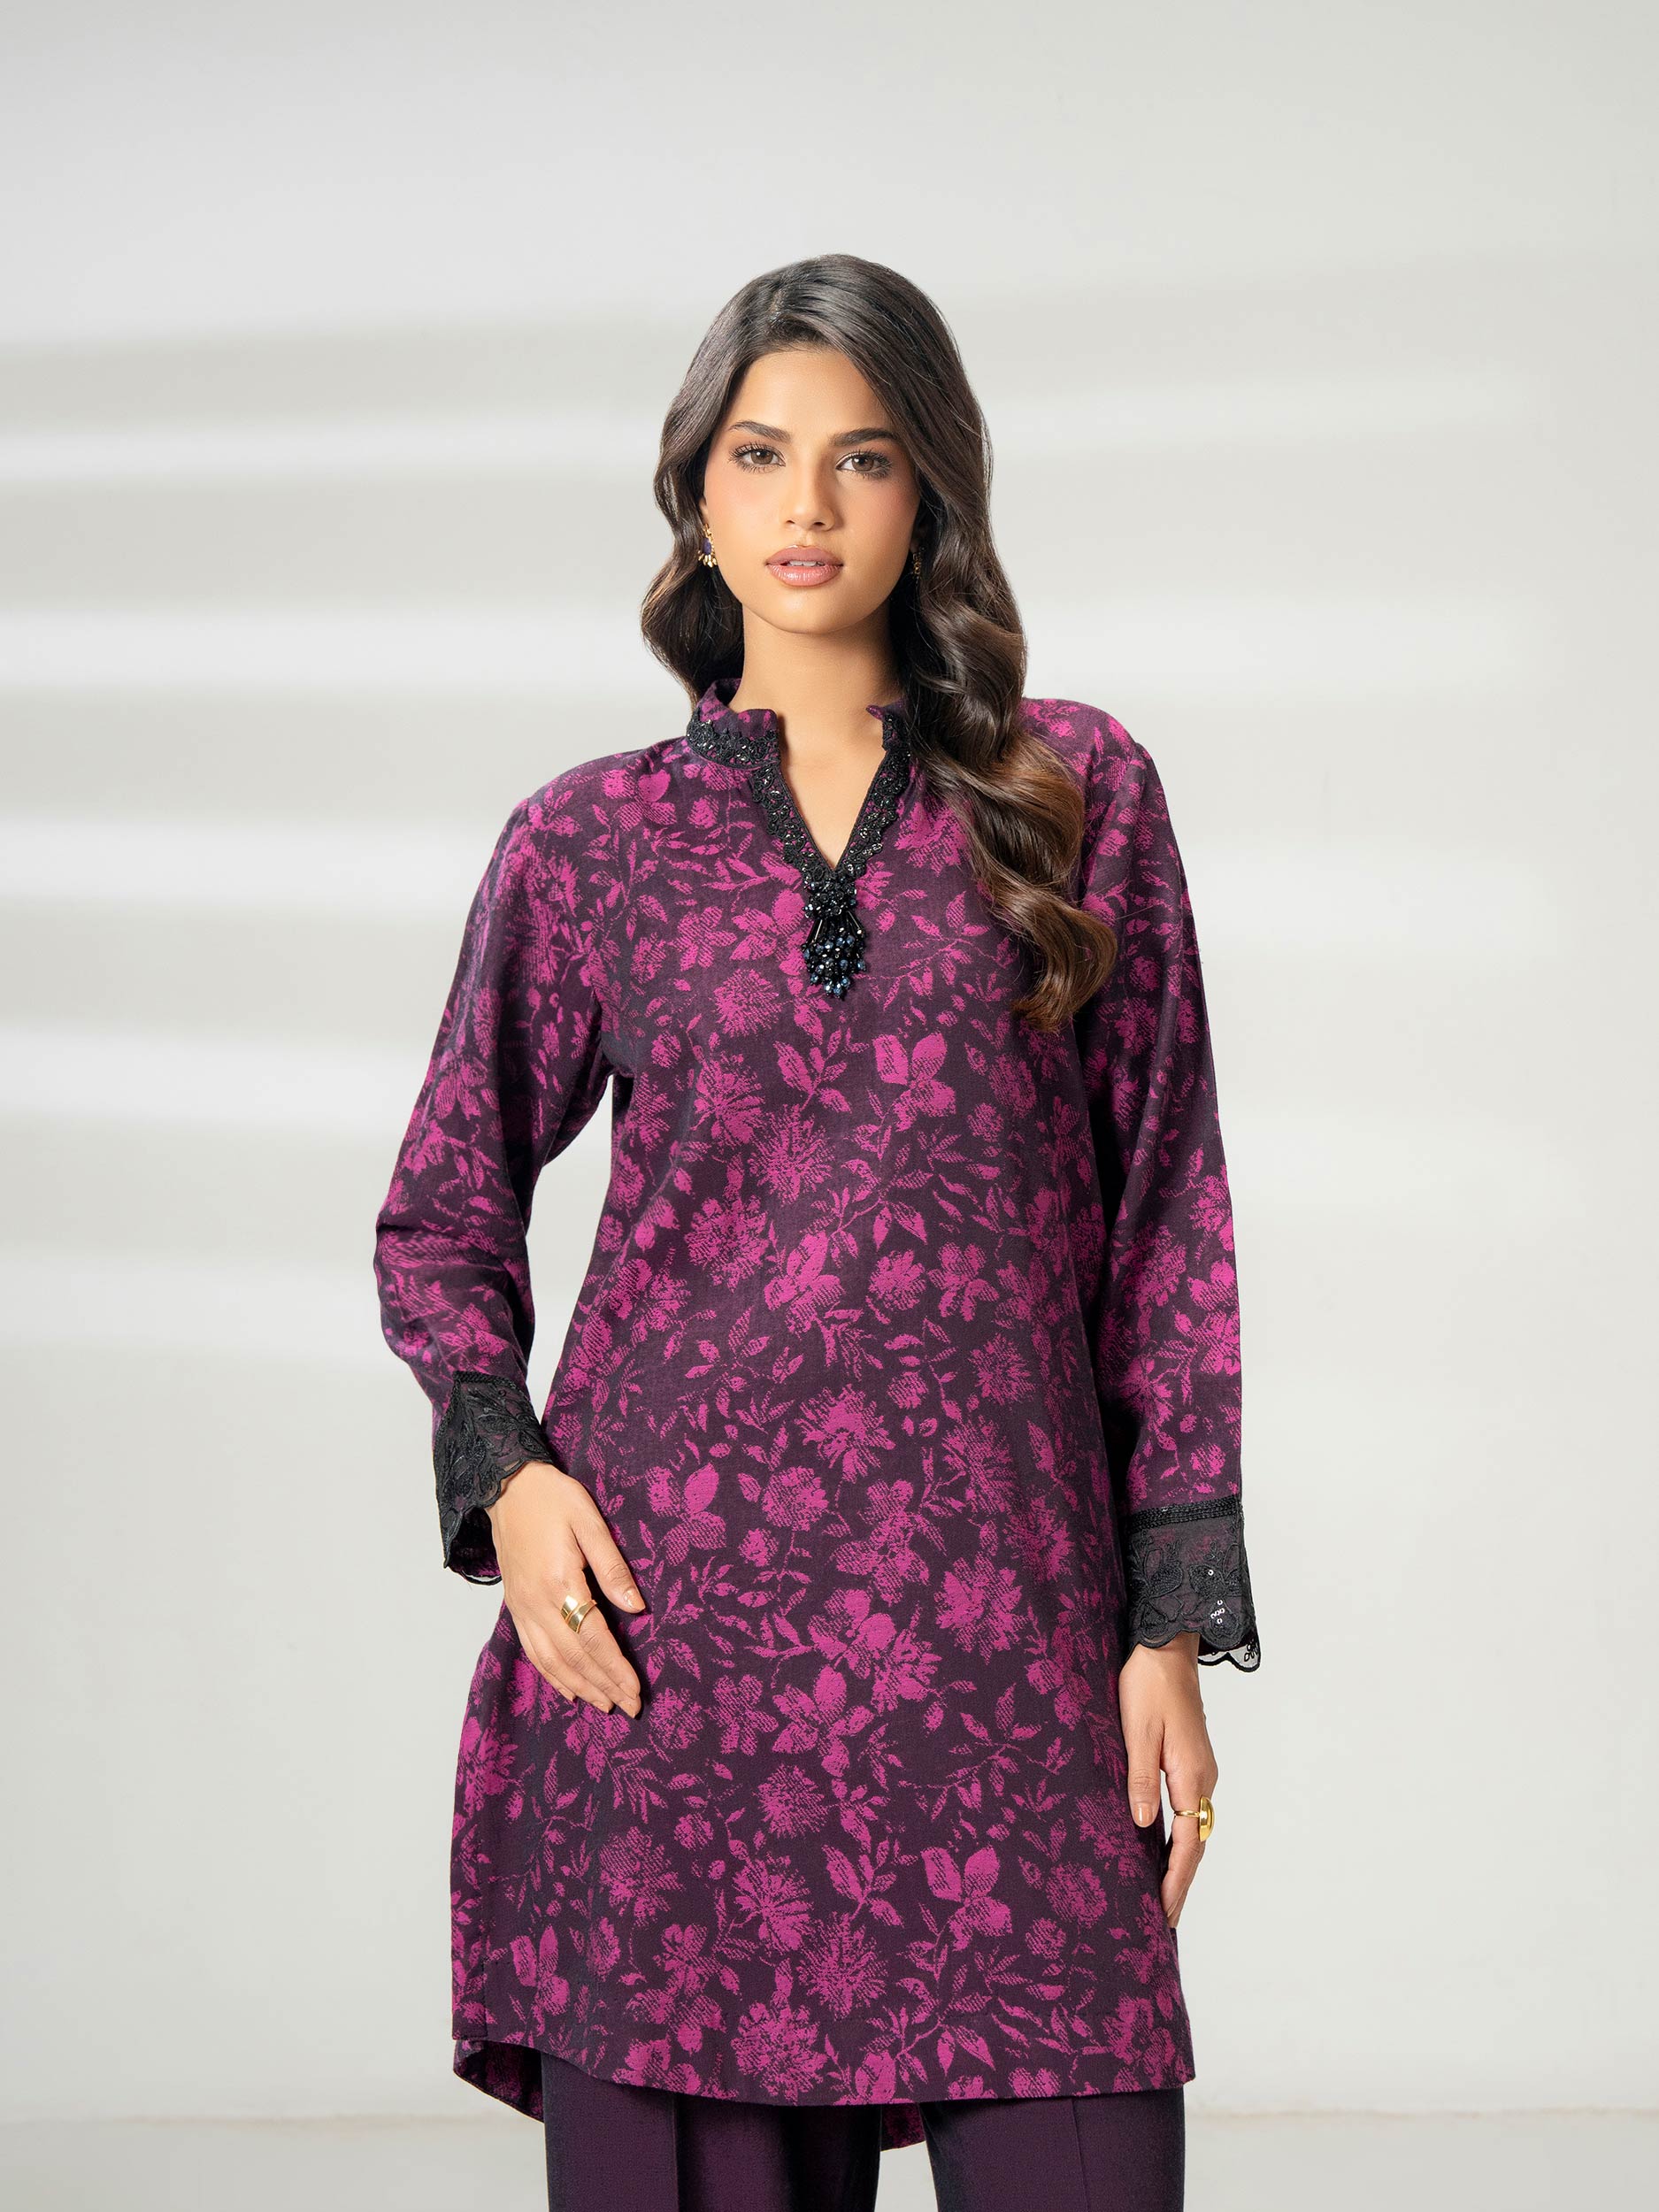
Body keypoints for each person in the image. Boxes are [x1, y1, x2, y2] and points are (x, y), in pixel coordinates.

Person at [373, 252, 1259, 2212]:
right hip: (676, 1664)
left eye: (861, 458)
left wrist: (1166, 1617)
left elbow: (1165, 1224)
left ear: (927, 490)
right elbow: (441, 1207)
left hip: (1007, 1646)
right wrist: (508, 1473)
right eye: (759, 455)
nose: (806, 505)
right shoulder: (589, 842)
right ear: (696, 491)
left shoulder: (1073, 794)